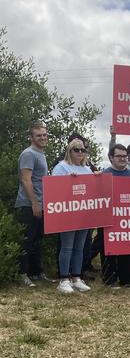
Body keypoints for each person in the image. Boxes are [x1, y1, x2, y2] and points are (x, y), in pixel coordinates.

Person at [15, 122, 55, 287]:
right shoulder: (28, 154)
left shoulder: (41, 154)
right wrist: (34, 203)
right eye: (39, 135)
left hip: (41, 204)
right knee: (27, 240)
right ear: (31, 137)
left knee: (37, 241)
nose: (43, 138)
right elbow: (25, 179)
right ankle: (23, 275)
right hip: (28, 204)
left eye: (45, 135)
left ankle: (36, 273)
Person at [52, 139, 93, 293]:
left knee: (79, 248)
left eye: (83, 150)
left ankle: (76, 277)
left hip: (83, 213)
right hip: (67, 213)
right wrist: (68, 180)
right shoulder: (61, 167)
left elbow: (93, 190)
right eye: (76, 150)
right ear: (69, 151)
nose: (80, 153)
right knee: (67, 246)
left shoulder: (87, 170)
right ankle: (63, 279)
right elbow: (54, 189)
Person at [98, 144, 130, 289]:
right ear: (111, 158)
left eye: (124, 156)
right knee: (108, 250)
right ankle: (109, 280)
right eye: (119, 156)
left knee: (126, 248)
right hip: (107, 218)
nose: (122, 159)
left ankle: (126, 280)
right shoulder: (104, 175)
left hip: (127, 219)